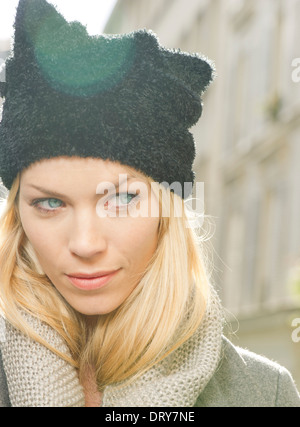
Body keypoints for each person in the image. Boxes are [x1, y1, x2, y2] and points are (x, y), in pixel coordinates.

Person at [0, 0, 299, 407]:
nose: (85, 244)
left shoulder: (264, 393)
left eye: (122, 198)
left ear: (167, 208)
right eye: (50, 203)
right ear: (18, 215)